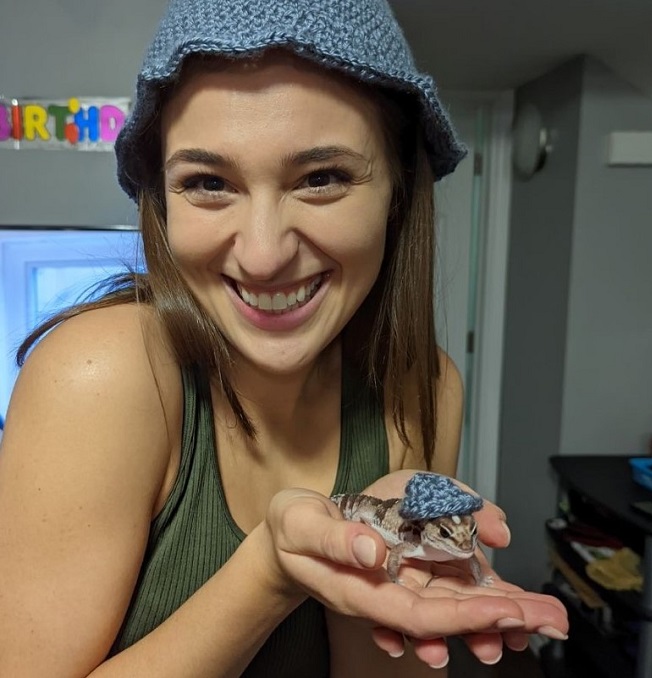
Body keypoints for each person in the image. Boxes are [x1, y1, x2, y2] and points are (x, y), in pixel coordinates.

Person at [0, 0, 568, 675]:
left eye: (321, 179)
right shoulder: (101, 374)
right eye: (209, 183)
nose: (264, 255)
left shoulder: (426, 389)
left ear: (398, 190)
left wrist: (366, 574)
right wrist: (270, 573)